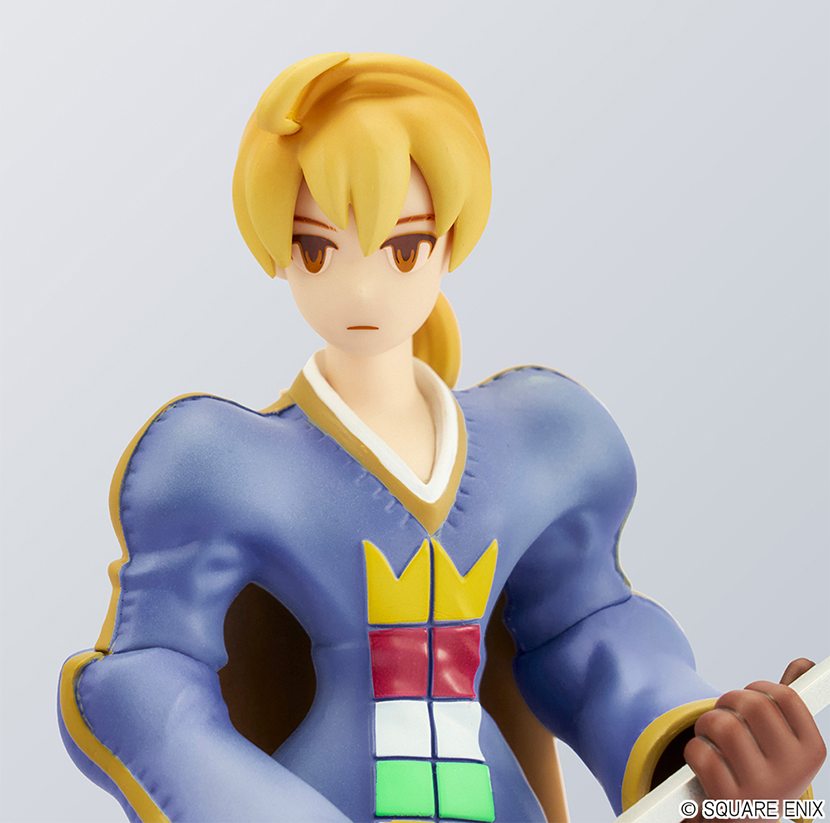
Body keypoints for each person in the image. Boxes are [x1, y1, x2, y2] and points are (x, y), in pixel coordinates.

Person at [59, 52, 824, 823]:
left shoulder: (539, 439)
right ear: (277, 249)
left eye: (403, 248)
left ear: (450, 241)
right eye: (317, 249)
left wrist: (708, 754)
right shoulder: (223, 462)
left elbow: (589, 631)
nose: (362, 289)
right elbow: (144, 687)